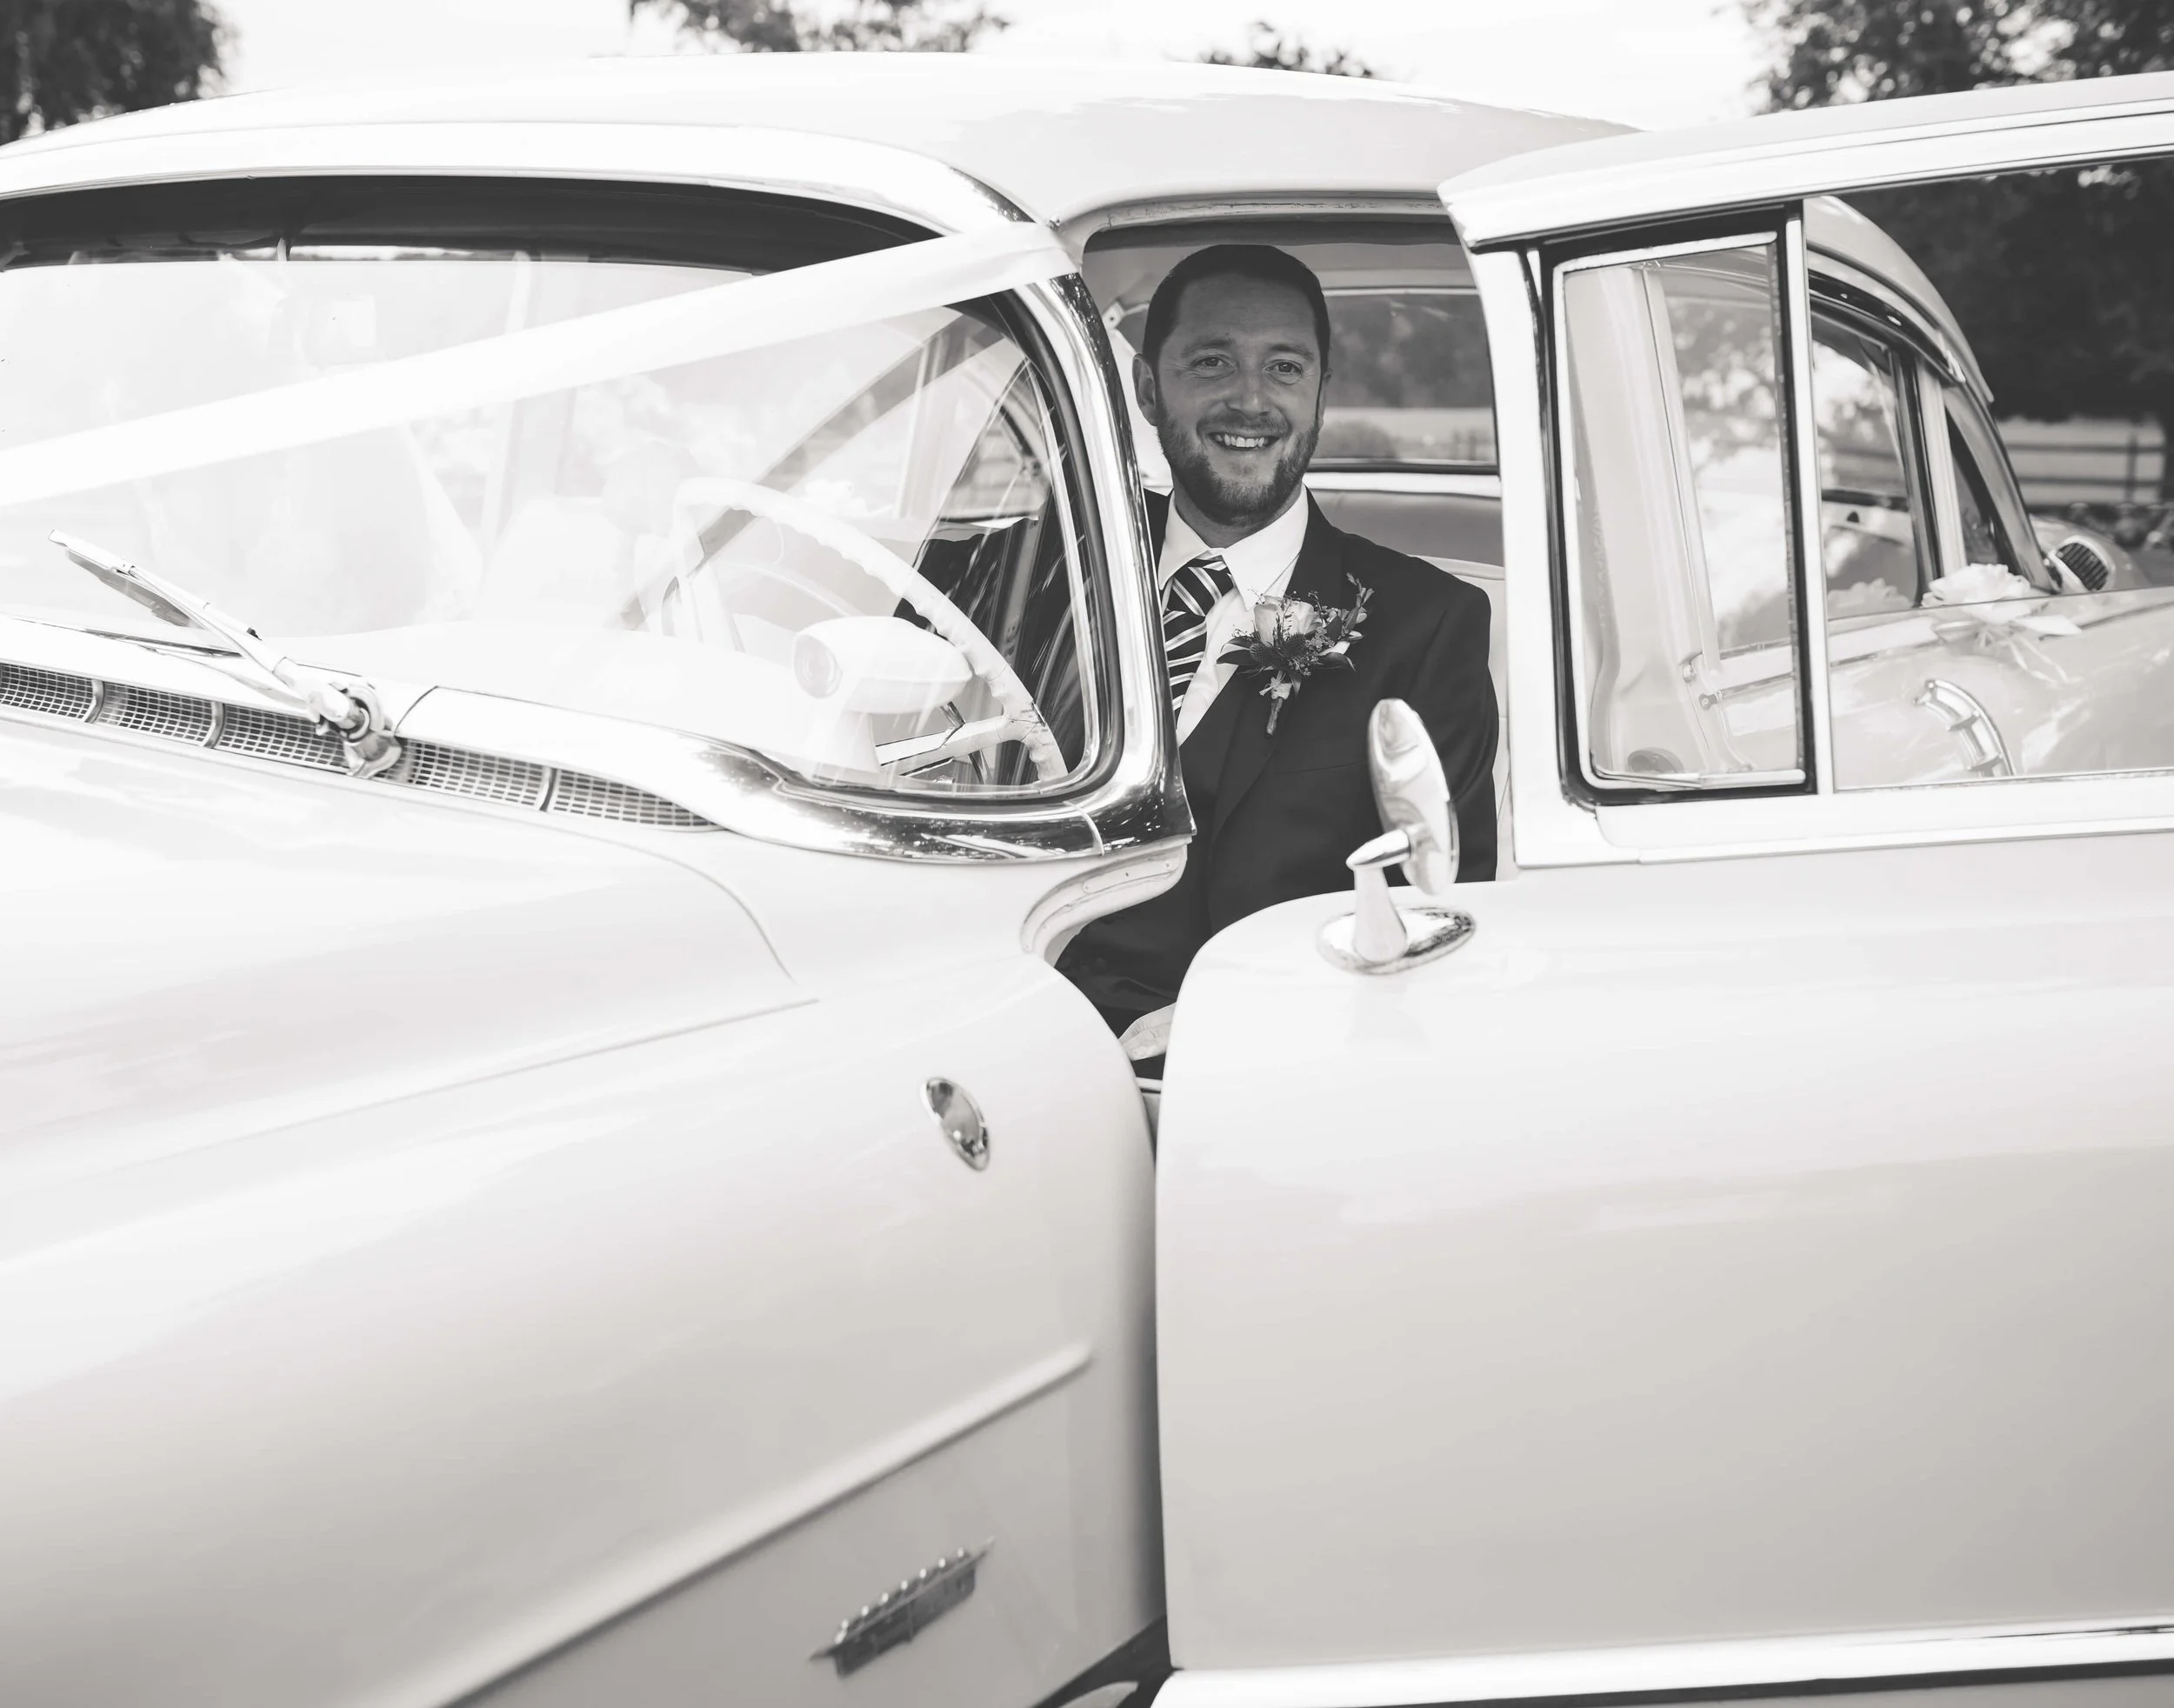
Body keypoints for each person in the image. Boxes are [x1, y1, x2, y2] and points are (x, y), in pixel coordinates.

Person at [1058, 244, 1497, 1068]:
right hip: (1003, 1033)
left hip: (1250, 1068)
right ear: (1148, 389)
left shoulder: (1429, 624)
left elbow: (1438, 911)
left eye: (1285, 368)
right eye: (1213, 362)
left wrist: (1234, 1020)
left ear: (1320, 393)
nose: (1251, 400)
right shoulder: (1045, 568)